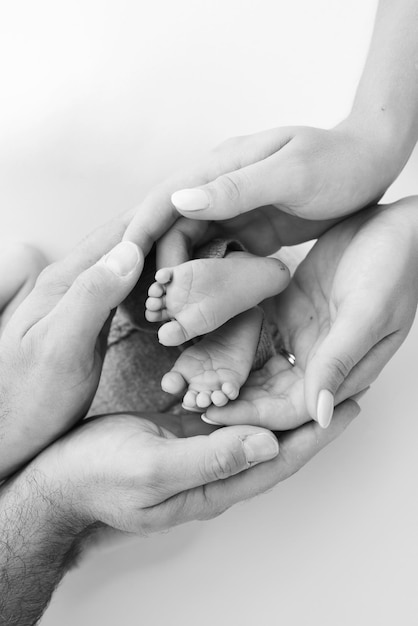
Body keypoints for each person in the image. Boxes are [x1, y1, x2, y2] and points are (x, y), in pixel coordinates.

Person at [0, 211, 359, 625]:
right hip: (147, 397)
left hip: (124, 391)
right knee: (177, 332)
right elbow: (24, 264)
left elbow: (75, 544)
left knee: (168, 315)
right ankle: (235, 303)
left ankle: (235, 295)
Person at [121, 0, 418, 428]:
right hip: (209, 377)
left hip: (139, 346)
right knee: (195, 341)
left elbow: (24, 268)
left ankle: (240, 276)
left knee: (152, 292)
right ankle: (240, 306)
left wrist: (375, 136)